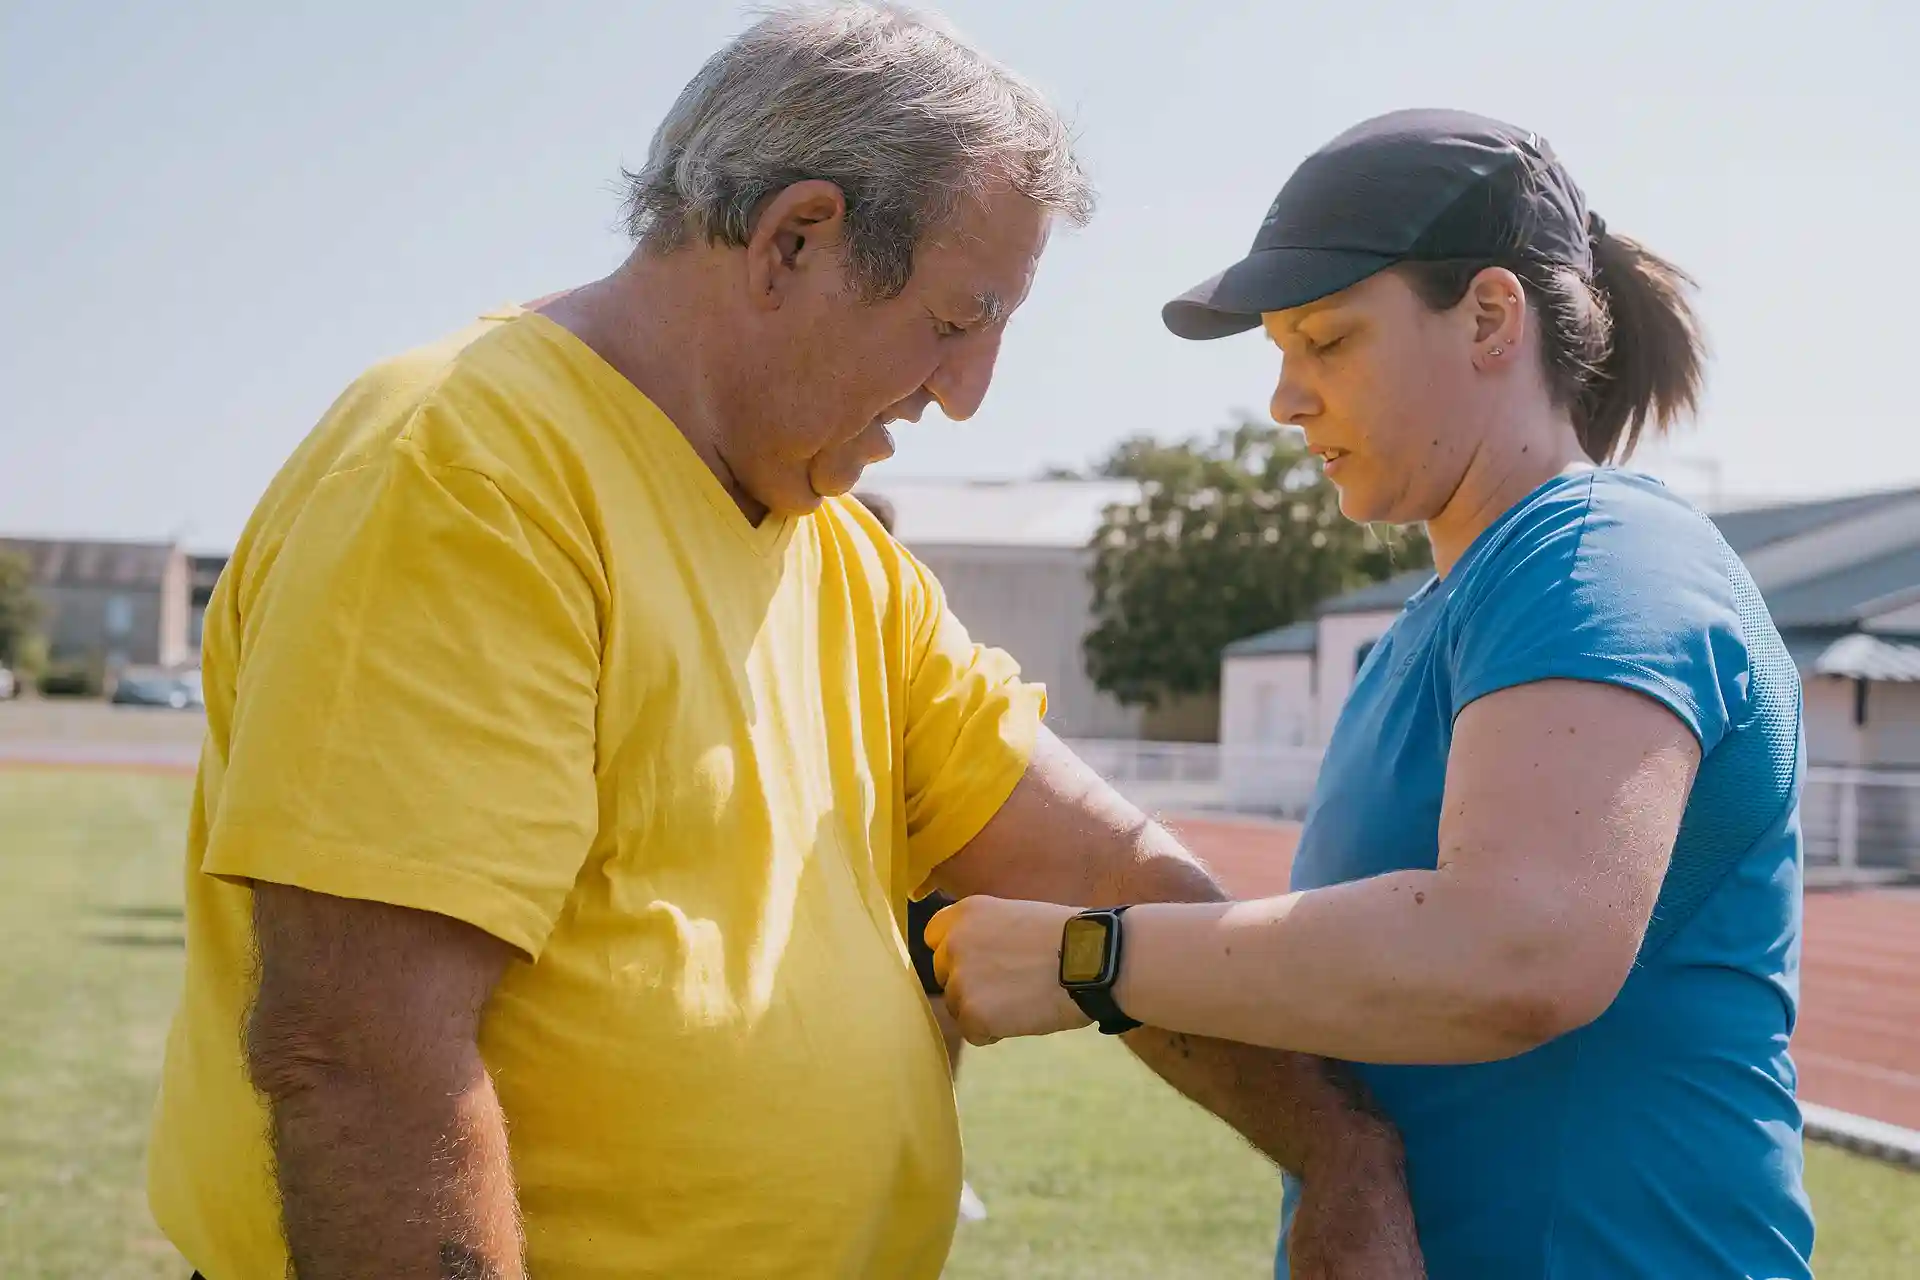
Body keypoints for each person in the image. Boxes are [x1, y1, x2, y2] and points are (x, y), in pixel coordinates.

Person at [144, 9, 1425, 1279]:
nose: (969, 390)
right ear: (795, 239)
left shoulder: (839, 552)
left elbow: (1103, 869)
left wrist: (1341, 1146)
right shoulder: (467, 473)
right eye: (954, 319)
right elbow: (364, 1061)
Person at [932, 108, 1816, 1279]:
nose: (1284, 397)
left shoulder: (1601, 555)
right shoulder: (1448, 614)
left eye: (1329, 339)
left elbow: (1518, 950)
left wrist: (1091, 957)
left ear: (1493, 316)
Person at [852, 487, 987, 1225]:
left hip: (921, 856)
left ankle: (944, 1154)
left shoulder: (911, 620)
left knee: (946, 1010)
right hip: (849, 861)